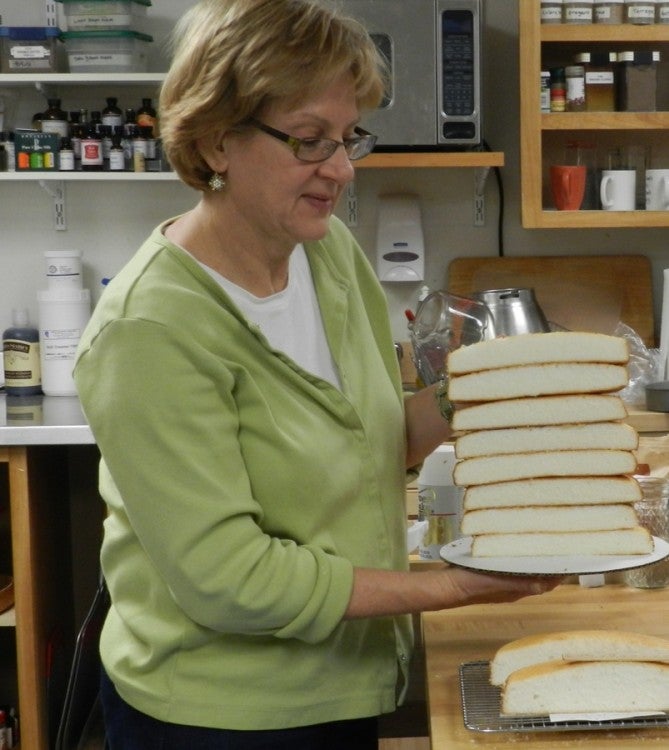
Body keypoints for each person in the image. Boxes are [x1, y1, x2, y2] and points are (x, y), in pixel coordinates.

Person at [73, 1, 559, 747]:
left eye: (345, 138)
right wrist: (452, 587)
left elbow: (376, 440)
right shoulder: (151, 328)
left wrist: (497, 389)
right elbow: (227, 580)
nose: (338, 169)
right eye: (307, 141)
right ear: (214, 140)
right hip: (219, 716)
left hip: (344, 682)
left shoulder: (324, 252)